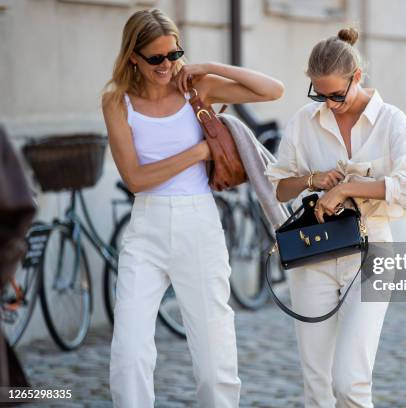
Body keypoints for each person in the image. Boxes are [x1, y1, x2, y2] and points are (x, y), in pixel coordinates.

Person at [101, 8, 284, 408]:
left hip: (198, 223)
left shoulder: (195, 88)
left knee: (215, 356)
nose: (167, 65)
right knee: (129, 351)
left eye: (174, 53)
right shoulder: (117, 102)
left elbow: (274, 90)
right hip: (146, 228)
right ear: (133, 56)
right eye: (156, 58)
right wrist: (198, 151)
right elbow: (136, 179)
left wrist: (210, 66)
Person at [265, 27, 406, 407]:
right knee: (317, 385)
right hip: (315, 254)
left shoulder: (392, 121)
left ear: (357, 76)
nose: (329, 103)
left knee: (350, 382)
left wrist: (346, 188)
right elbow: (280, 188)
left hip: (371, 254)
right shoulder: (306, 121)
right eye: (319, 94)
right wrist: (312, 179)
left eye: (337, 94)